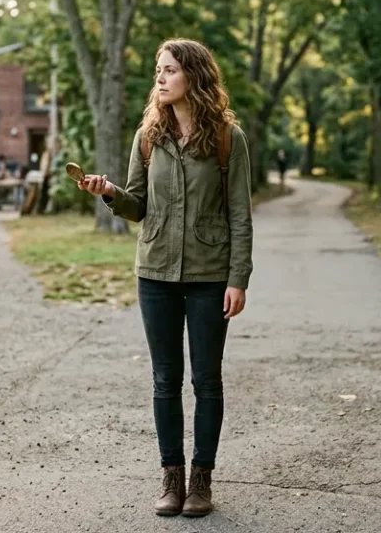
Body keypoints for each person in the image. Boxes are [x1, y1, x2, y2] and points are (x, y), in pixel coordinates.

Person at [78, 38, 253, 518]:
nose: (160, 78)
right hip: (154, 272)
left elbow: (240, 215)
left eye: (170, 70)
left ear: (193, 76)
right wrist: (110, 192)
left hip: (209, 275)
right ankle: (171, 477)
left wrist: (238, 278)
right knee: (164, 380)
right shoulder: (148, 136)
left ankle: (201, 480)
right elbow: (138, 205)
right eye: (158, 69)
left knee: (207, 381)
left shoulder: (226, 139)